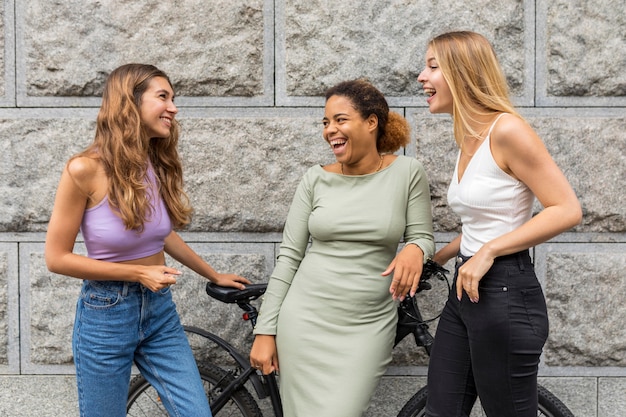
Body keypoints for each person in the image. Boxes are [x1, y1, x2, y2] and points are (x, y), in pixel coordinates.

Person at [44, 63, 250, 417]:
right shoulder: (83, 169)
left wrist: (212, 274)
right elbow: (56, 258)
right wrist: (138, 274)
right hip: (105, 314)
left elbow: (161, 233)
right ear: (130, 103)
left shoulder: (149, 163)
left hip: (158, 312)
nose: (173, 107)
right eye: (163, 97)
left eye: (173, 98)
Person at [416, 31, 582, 417]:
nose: (422, 77)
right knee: (442, 410)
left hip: (505, 293)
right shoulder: (468, 136)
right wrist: (437, 259)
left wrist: (488, 251)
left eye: (432, 66)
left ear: (462, 72)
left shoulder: (507, 131)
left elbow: (567, 208)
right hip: (466, 291)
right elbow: (486, 222)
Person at [249, 79, 435, 417]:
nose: (329, 130)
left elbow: (423, 235)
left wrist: (415, 249)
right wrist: (265, 330)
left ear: (371, 122)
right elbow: (289, 258)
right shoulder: (314, 179)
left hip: (368, 325)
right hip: (304, 321)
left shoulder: (408, 172)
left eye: (340, 119)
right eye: (325, 122)